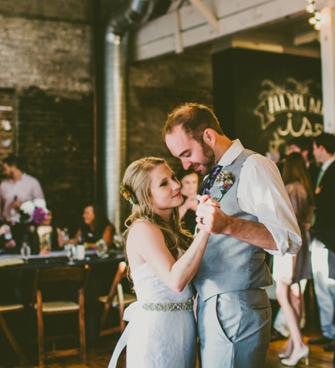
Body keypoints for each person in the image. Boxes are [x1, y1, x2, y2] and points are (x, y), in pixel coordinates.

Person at [163, 103, 301, 368]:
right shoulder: (214, 173)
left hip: (237, 306)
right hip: (211, 304)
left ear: (209, 136)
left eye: (187, 153)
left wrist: (229, 225)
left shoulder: (255, 166)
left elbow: (289, 239)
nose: (185, 164)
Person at [108, 157, 212, 368]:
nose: (176, 185)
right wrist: (206, 227)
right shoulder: (143, 229)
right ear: (146, 196)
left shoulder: (173, 230)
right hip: (157, 333)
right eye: (164, 183)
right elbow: (176, 280)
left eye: (173, 177)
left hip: (183, 328)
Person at [308, 133, 335, 352]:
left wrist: (318, 198)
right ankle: (328, 330)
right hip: (319, 234)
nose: (313, 152)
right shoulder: (321, 171)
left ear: (321, 147)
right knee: (321, 283)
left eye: (315, 148)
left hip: (331, 235)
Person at [273, 152, 314, 366]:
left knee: (283, 293)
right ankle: (293, 344)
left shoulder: (291, 188)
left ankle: (298, 344)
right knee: (295, 296)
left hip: (290, 245)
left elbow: (292, 223)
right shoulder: (304, 187)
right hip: (300, 243)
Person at [0, 155, 44, 224]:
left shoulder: (33, 183)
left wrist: (24, 206)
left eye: (5, 169)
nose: (4, 172)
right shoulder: (3, 184)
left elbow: (41, 206)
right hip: (6, 225)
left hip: (26, 225)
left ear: (13, 167)